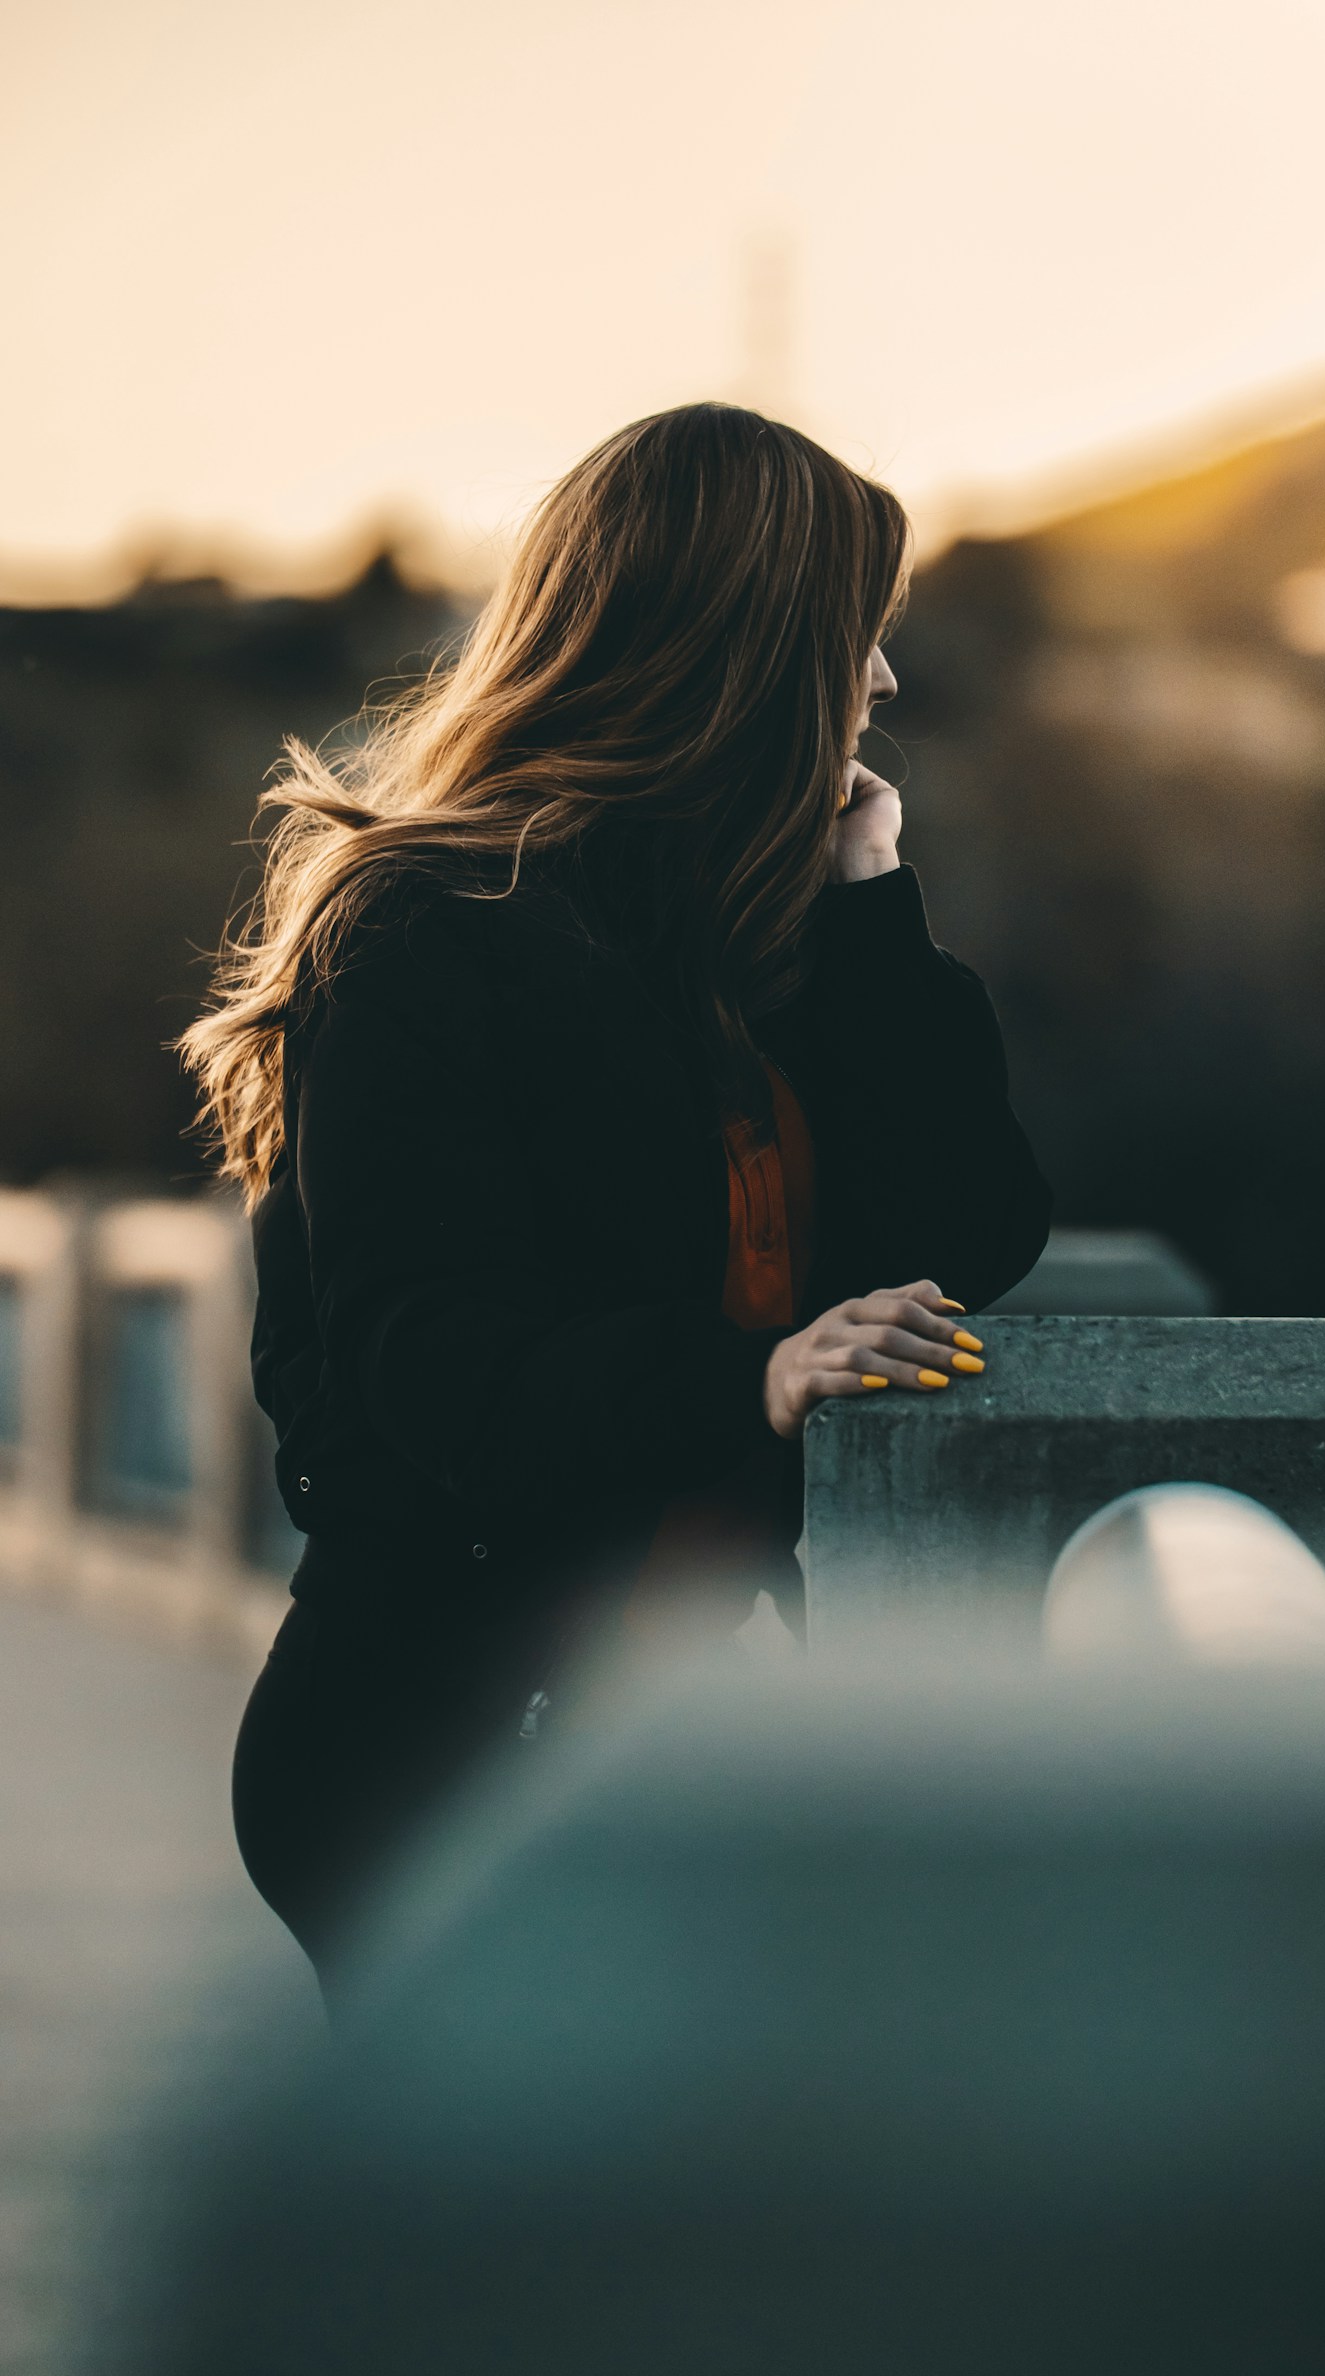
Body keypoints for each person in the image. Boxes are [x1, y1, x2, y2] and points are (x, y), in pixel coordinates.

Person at [178, 404, 1051, 1988]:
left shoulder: (738, 939)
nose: (887, 683)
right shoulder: (427, 932)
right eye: (860, 637)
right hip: (441, 1753)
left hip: (658, 1739)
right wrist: (757, 1377)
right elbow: (431, 1358)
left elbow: (966, 1244)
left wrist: (869, 902)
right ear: (749, 651)